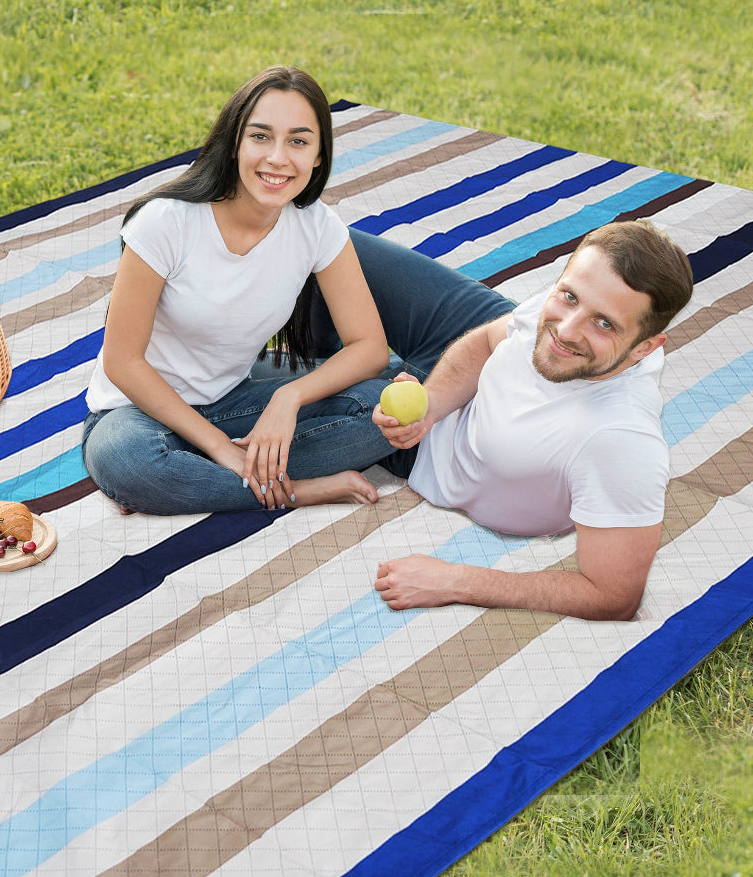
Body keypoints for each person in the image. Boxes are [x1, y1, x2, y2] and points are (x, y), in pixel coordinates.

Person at [82, 66, 404, 515]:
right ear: (234, 142)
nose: (277, 158)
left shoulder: (317, 227)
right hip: (137, 414)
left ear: (317, 155)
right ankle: (296, 489)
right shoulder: (165, 222)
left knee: (383, 408)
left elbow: (369, 347)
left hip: (236, 400)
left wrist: (286, 399)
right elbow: (122, 362)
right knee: (126, 462)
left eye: (298, 141)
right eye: (260, 136)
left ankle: (208, 478)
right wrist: (220, 447)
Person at [370, 219, 694, 621]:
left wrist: (456, 581)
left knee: (292, 395)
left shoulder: (621, 441)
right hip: (456, 380)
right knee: (337, 245)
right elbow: (489, 341)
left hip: (426, 453)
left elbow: (613, 595)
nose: (567, 329)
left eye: (605, 323)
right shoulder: (564, 315)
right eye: (569, 295)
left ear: (645, 347)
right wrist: (432, 404)